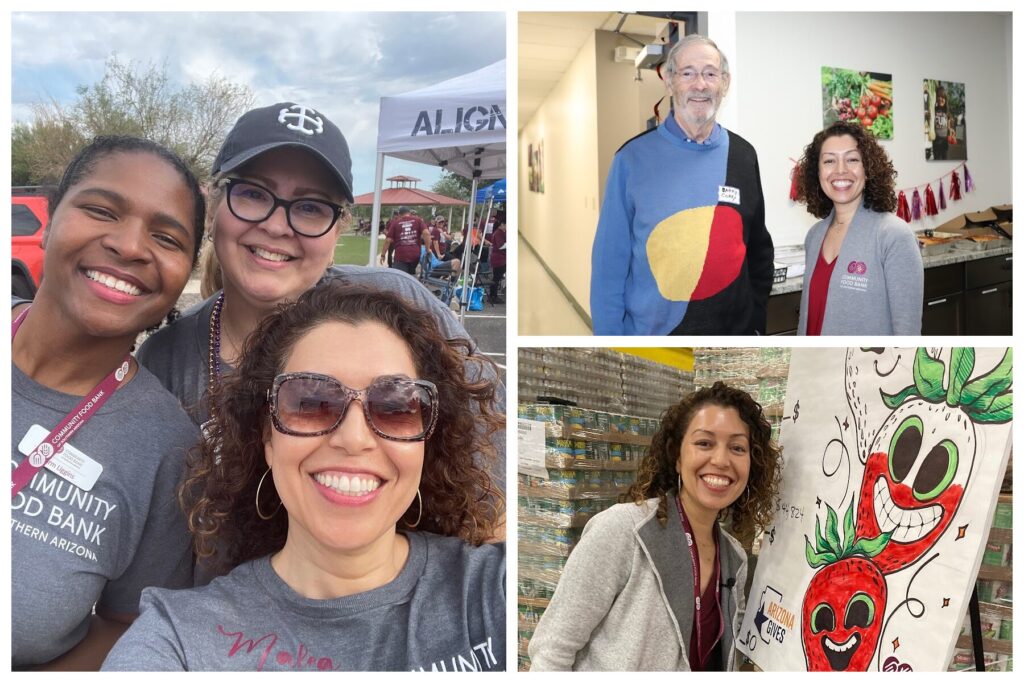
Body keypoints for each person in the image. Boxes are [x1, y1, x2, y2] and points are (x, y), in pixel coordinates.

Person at [135, 103, 506, 527]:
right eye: (254, 194)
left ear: (338, 228)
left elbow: (491, 493)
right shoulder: (167, 360)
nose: (277, 226)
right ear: (215, 204)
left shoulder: (398, 304)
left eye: (310, 207)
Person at [102, 282, 506, 671]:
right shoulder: (178, 642)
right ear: (266, 435)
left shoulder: (496, 592)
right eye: (311, 402)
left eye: (395, 407)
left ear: (426, 440)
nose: (353, 439)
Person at [11, 136, 206, 669]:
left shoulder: (168, 452)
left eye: (167, 238)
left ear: (185, 274)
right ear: (49, 222)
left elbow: (128, 628)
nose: (130, 246)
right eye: (100, 210)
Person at [528, 382, 782, 671]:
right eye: (704, 443)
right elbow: (551, 653)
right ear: (676, 456)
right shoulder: (623, 530)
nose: (721, 460)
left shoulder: (733, 556)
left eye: (737, 447)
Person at [590, 35, 774, 335]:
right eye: (688, 73)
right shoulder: (631, 160)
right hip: (654, 337)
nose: (700, 84)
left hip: (732, 334)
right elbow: (608, 269)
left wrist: (755, 321)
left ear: (724, 83)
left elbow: (759, 251)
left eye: (710, 73)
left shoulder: (743, 155)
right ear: (670, 81)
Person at [794, 121, 923, 335]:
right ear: (817, 172)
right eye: (829, 161)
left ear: (868, 168)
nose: (840, 170)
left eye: (852, 159)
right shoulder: (814, 236)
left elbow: (907, 335)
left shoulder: (894, 236)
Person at [380, 205, 431, 275]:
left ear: (399, 214)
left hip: (401, 256)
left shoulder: (396, 223)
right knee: (410, 277)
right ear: (409, 213)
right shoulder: (418, 220)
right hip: (415, 255)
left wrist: (383, 255)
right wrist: (427, 249)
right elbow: (426, 233)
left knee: (399, 278)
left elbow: (388, 240)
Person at [487, 211, 506, 304]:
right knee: (496, 278)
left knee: (496, 278)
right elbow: (500, 246)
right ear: (502, 224)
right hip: (499, 259)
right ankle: (493, 296)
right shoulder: (499, 233)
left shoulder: (500, 232)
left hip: (500, 258)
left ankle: (493, 296)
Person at [931, 86, 951, 161]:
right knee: (937, 159)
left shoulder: (947, 111)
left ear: (945, 99)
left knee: (945, 159)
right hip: (936, 141)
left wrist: (950, 130)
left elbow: (948, 126)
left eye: (942, 97)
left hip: (945, 141)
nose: (940, 99)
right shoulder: (934, 110)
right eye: (938, 96)